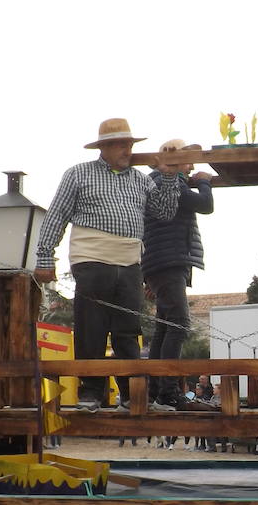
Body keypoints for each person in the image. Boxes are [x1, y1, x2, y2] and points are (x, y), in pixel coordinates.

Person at [34, 118, 181, 412]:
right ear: (105, 147)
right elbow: (56, 216)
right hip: (91, 258)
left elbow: (165, 213)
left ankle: (131, 394)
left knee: (129, 329)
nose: (127, 150)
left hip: (129, 261)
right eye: (121, 144)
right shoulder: (78, 174)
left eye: (129, 144)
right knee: (92, 327)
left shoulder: (141, 180)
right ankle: (91, 392)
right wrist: (44, 257)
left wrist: (167, 176)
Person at [142, 139, 216, 411]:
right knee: (179, 323)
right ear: (175, 161)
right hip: (169, 261)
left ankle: (156, 390)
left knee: (165, 326)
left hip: (161, 262)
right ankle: (168, 392)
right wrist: (205, 181)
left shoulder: (159, 182)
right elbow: (205, 204)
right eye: (188, 160)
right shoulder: (167, 183)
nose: (193, 166)